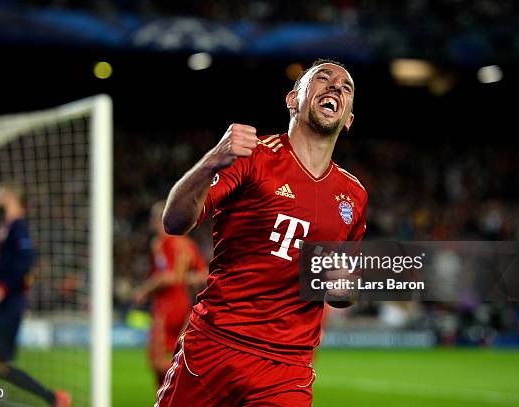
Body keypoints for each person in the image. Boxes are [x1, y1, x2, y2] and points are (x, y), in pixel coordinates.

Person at [157, 59, 368, 406]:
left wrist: (344, 285)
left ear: (348, 121)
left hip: (287, 368)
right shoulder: (252, 158)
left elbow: (343, 291)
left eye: (346, 87)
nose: (335, 87)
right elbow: (174, 222)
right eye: (323, 79)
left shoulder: (354, 195)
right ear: (292, 99)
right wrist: (213, 158)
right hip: (215, 346)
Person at [0, 181, 71, 407]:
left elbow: (24, 263)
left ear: (11, 196)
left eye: (1, 190)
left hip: (6, 303)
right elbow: (2, 265)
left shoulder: (18, 227)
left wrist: (3, 288)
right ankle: (54, 398)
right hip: (2, 301)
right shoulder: (7, 227)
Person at [133, 200, 207, 387]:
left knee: (157, 361)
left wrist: (145, 289)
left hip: (166, 306)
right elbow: (204, 273)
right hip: (183, 304)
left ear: (160, 219)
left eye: (153, 219)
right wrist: (187, 279)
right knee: (177, 355)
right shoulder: (187, 243)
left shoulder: (161, 243)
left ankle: (181, 389)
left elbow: (168, 276)